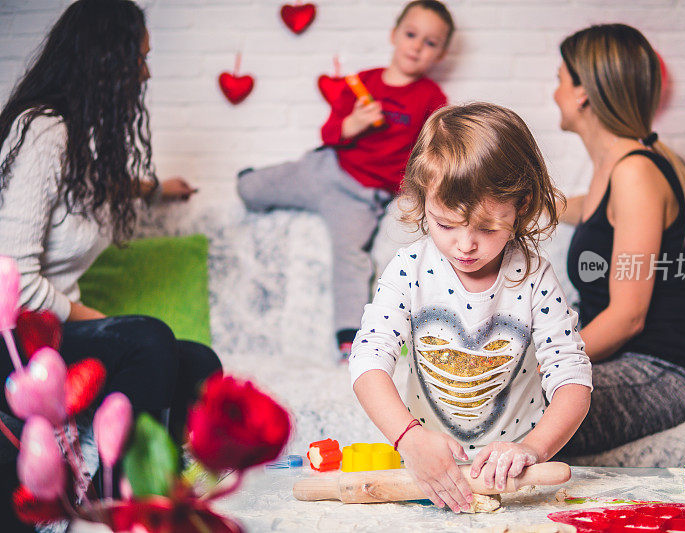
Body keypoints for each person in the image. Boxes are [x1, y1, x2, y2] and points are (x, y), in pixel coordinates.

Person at [0, 1, 221, 524]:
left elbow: (91, 196)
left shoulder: (81, 143)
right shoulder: (44, 132)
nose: (145, 72)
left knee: (199, 364)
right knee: (145, 338)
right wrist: (97, 322)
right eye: (138, 59)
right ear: (105, 64)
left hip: (47, 338)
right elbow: (11, 276)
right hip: (12, 340)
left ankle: (156, 487)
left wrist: (156, 190)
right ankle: (124, 501)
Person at [349, 103, 593, 513]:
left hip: (514, 480)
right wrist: (408, 438)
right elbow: (368, 359)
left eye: (487, 227)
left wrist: (531, 449)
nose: (465, 245)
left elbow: (572, 379)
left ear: (522, 204)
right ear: (421, 197)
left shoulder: (534, 278)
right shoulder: (409, 269)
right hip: (426, 471)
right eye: (445, 224)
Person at [237, 0, 454, 359]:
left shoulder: (431, 98)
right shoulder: (363, 82)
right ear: (394, 34)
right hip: (327, 168)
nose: (416, 46)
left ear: (441, 54)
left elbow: (433, 153)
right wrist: (352, 124)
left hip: (362, 196)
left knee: (352, 256)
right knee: (254, 187)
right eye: (411, 34)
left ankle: (349, 337)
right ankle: (247, 181)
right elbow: (329, 131)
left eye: (430, 43)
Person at [555, 24, 685, 455]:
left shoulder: (635, 173)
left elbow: (628, 317)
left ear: (583, 93)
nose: (554, 92)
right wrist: (535, 205)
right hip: (625, 360)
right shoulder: (618, 166)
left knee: (521, 404)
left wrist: (540, 365)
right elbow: (598, 214)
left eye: (559, 80)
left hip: (663, 369)